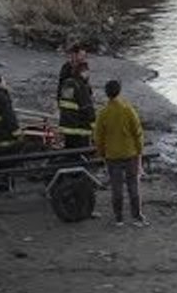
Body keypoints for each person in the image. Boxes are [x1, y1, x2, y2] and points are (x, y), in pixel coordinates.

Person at [93, 79, 147, 227]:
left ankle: (119, 218)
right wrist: (140, 151)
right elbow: (137, 132)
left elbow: (98, 136)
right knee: (133, 185)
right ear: (119, 91)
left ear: (107, 93)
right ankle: (136, 216)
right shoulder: (127, 109)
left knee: (116, 187)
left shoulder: (103, 113)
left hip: (112, 155)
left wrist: (102, 153)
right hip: (130, 153)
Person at [58, 61, 95, 150]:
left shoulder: (67, 84)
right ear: (81, 72)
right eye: (86, 71)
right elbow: (87, 107)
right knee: (82, 156)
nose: (88, 73)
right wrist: (95, 126)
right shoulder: (80, 86)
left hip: (66, 128)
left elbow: (62, 102)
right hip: (80, 129)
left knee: (69, 154)